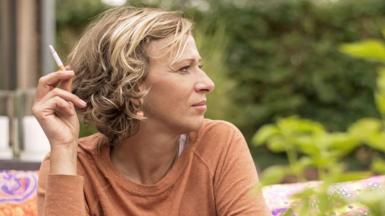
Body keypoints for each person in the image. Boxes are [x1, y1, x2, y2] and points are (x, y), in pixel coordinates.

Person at [33, 6, 271, 216]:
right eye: (184, 69)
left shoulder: (219, 144)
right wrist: (64, 148)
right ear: (131, 88)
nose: (208, 83)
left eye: (199, 66)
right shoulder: (70, 165)